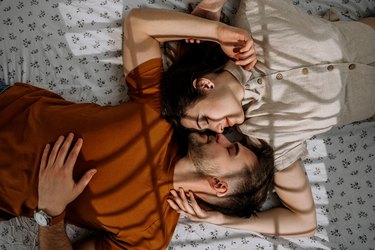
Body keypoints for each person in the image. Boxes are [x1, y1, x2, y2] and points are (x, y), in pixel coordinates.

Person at [0, 7, 275, 250]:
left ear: (219, 185)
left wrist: (51, 214)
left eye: (231, 149)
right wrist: (219, 32)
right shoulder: (161, 118)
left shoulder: (150, 235)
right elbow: (140, 25)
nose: (221, 135)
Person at [162, 0, 375, 237]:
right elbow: (304, 223)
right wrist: (220, 219)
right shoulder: (266, 136)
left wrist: (212, 6)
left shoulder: (251, 25)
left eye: (205, 122)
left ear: (205, 85)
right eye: (212, 132)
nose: (219, 131)